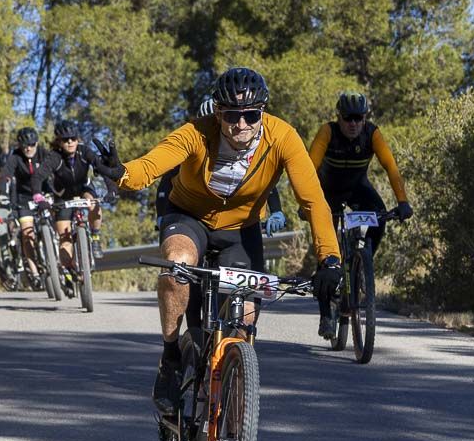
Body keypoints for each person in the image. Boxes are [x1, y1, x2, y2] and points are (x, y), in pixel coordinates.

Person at [86, 67, 342, 416]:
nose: (241, 125)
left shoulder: (283, 138)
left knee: (244, 322)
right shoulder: (196, 132)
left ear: (262, 112)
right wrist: (122, 174)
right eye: (232, 116)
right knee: (177, 265)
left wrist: (330, 259)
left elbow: (313, 201)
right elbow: (151, 165)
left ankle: (232, 430)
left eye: (251, 115)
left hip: (241, 230)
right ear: (218, 113)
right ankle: (172, 356)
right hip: (188, 217)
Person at [307, 92, 413, 338]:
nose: (353, 124)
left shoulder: (372, 134)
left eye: (358, 118)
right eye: (348, 118)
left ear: (365, 118)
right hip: (327, 191)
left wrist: (403, 201)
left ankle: (362, 265)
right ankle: (326, 314)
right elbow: (309, 168)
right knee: (326, 255)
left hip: (357, 188)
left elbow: (391, 166)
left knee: (380, 218)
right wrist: (308, 204)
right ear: (339, 117)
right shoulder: (327, 132)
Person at [155, 97, 286, 236]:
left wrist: (276, 210)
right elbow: (166, 183)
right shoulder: (192, 150)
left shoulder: (249, 151)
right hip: (196, 218)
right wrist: (162, 216)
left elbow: (265, 183)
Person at [30, 119, 106, 297]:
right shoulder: (54, 157)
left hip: (83, 189)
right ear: (59, 142)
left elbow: (100, 167)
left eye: (73, 138)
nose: (70, 142)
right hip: (63, 197)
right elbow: (37, 178)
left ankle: (95, 237)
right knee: (64, 239)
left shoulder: (84, 151)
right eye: (65, 140)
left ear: (77, 139)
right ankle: (70, 271)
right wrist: (38, 197)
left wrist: (111, 187)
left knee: (94, 202)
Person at [0, 127, 48, 284]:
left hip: (45, 194)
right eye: (25, 145)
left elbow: (57, 167)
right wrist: (3, 190)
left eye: (32, 144)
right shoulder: (15, 157)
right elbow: (6, 174)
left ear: (37, 143)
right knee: (27, 234)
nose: (29, 148)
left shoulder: (44, 153)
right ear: (19, 145)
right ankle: (34, 271)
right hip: (24, 198)